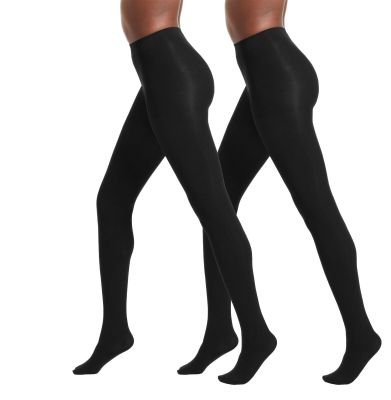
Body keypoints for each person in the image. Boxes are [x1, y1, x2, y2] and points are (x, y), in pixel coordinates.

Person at [73, 0, 277, 385]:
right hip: (158, 76)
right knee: (112, 199)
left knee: (214, 209)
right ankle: (119, 332)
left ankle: (257, 334)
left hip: (171, 76)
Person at [178, 0, 381, 385]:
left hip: (276, 75)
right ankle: (220, 331)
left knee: (317, 208)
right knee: (219, 201)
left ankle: (361, 335)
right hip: (263, 77)